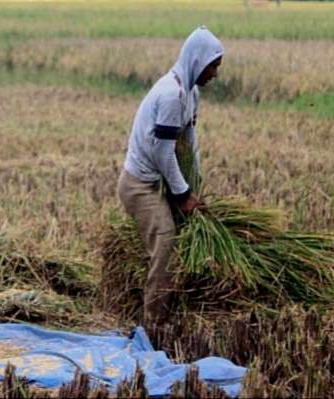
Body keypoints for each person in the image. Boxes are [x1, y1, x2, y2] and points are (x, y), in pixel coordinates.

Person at [117, 26, 224, 328]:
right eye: (212, 65)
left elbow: (189, 142)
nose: (215, 72)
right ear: (196, 60)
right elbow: (163, 153)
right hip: (139, 186)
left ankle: (169, 312)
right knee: (166, 241)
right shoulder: (171, 95)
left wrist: (195, 184)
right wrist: (183, 195)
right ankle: (152, 324)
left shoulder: (190, 93)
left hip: (159, 183)